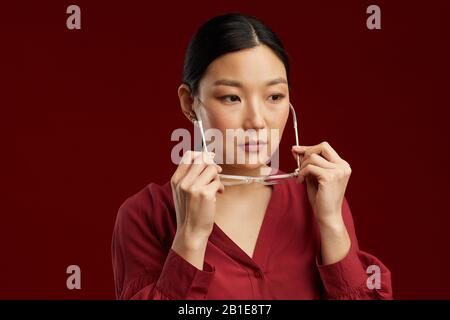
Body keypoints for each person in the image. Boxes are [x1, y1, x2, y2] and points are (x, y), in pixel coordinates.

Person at [111, 12, 393, 300]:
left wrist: (332, 222)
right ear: (189, 103)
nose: (257, 121)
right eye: (231, 97)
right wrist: (191, 237)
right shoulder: (144, 216)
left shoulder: (321, 199)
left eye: (274, 96)